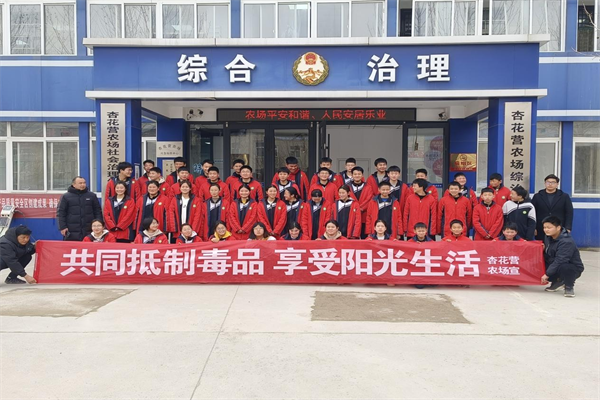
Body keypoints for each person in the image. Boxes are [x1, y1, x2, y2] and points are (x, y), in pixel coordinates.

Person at [541, 216, 585, 297]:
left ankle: (569, 287)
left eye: (549, 227)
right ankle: (557, 281)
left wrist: (547, 274)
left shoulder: (566, 241)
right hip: (555, 263)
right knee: (539, 262)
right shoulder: (548, 237)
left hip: (571, 267)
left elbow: (561, 260)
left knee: (565, 267)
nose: (546, 230)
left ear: (558, 228)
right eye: (544, 227)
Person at [57, 176, 103, 241]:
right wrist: (62, 227)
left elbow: (97, 211)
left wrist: (99, 225)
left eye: (84, 183)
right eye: (80, 183)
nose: (83, 185)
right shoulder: (66, 196)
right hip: (72, 230)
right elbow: (61, 213)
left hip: (89, 229)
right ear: (74, 184)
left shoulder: (92, 196)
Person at [532, 174, 573, 240]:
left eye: (553, 182)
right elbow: (533, 213)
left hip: (558, 227)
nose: (550, 184)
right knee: (542, 245)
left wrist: (568, 227)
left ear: (557, 184)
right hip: (541, 227)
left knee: (558, 244)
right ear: (545, 183)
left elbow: (569, 212)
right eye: (548, 182)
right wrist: (533, 227)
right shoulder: (537, 196)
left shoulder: (564, 196)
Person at [348, 166, 375, 235]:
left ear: (362, 175)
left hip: (364, 215)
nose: (357, 176)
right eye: (355, 174)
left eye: (359, 174)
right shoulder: (347, 187)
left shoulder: (368, 187)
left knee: (364, 236)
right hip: (351, 215)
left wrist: (360, 208)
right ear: (352, 175)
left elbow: (369, 199)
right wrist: (355, 209)